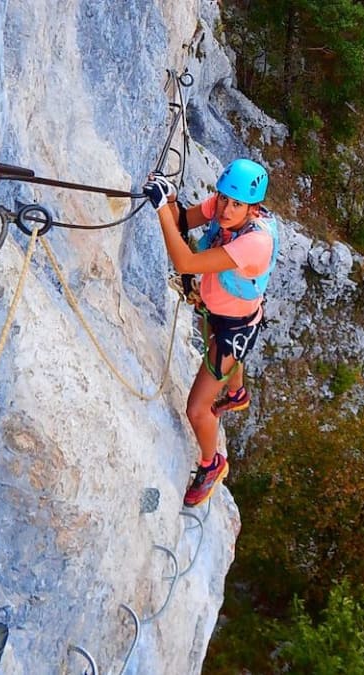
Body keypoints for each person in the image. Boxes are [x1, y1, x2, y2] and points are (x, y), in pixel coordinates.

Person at [143, 159, 279, 507]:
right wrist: (171, 201)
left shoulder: (255, 243)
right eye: (223, 199)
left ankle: (211, 463)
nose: (225, 209)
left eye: (236, 204)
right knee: (228, 359)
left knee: (196, 409)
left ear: (253, 208)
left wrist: (160, 209)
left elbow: (185, 263)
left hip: (235, 329)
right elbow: (184, 222)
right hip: (225, 317)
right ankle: (236, 395)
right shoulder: (221, 208)